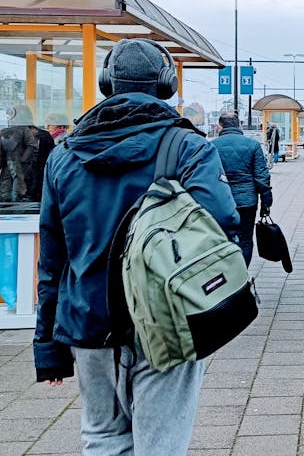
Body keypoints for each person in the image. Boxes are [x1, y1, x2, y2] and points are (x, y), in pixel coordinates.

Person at [34, 38, 238, 455]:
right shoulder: (188, 148)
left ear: (107, 84)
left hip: (88, 324)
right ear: (165, 85)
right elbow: (221, 224)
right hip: (168, 320)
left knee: (103, 439)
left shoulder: (64, 155)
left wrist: (48, 348)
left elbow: (52, 259)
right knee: (161, 445)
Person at [211, 112, 273, 265]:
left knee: (224, 239)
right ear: (239, 125)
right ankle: (243, 273)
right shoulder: (253, 145)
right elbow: (262, 176)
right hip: (247, 202)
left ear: (220, 127)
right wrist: (266, 202)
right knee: (245, 239)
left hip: (222, 203)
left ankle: (229, 273)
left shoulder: (212, 146)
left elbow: (208, 176)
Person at [0, 104, 55, 209]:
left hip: (8, 187)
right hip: (37, 187)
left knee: (7, 216)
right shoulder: (44, 136)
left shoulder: (3, 134)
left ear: (13, 117)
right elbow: (51, 164)